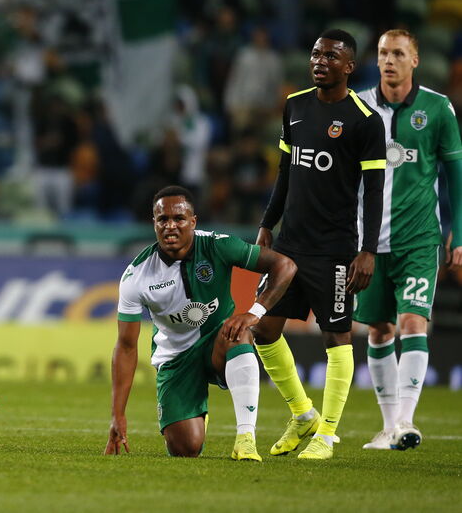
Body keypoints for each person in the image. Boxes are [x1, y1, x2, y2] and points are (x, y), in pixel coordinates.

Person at [255, 29, 386, 460]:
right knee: (264, 329)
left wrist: (367, 250)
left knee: (337, 337)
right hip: (289, 243)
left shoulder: (365, 120)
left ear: (349, 66)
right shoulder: (295, 106)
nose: (319, 61)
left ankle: (327, 434)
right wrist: (267, 224)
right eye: (315, 54)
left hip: (334, 247)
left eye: (331, 56)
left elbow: (375, 190)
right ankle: (302, 414)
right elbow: (285, 172)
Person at [105, 185, 296, 461]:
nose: (170, 226)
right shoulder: (136, 276)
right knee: (185, 449)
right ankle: (194, 415)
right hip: (176, 358)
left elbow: (285, 266)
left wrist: (254, 312)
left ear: (193, 222)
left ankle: (246, 439)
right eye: (163, 220)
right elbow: (125, 347)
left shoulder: (218, 245)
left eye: (179, 219)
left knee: (239, 331)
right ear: (154, 223)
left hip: (219, 342)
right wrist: (117, 415)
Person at [355, 30, 462, 451]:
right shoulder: (359, 107)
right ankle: (388, 427)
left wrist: (460, 231)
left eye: (399, 53)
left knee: (413, 323)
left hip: (419, 238)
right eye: (383, 53)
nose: (389, 60)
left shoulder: (437, 108)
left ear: (415, 60)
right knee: (379, 331)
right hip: (368, 243)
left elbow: (456, 175)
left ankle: (405, 420)